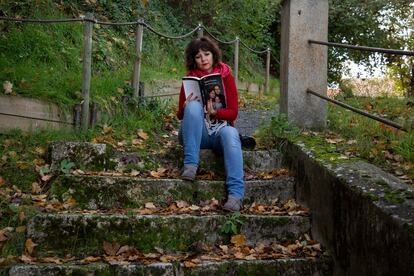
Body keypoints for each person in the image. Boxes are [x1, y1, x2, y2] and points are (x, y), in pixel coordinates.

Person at [176, 36, 244, 212]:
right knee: (192, 106)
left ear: (213, 55)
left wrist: (217, 112)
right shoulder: (190, 80)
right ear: (194, 60)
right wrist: (185, 107)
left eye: (206, 54)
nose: (203, 59)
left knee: (231, 134)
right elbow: (179, 115)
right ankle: (191, 165)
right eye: (198, 57)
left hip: (219, 132)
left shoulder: (226, 76)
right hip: (197, 134)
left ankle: (236, 196)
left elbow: (233, 112)